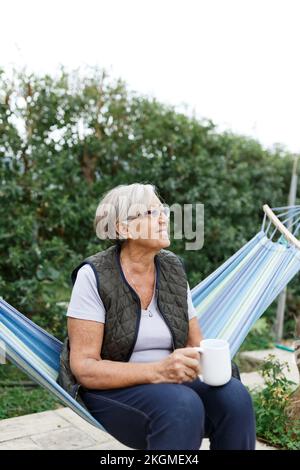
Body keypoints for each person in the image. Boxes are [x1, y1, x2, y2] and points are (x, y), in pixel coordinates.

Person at [57, 182, 256, 450]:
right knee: (182, 406)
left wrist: (201, 362)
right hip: (114, 390)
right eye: (150, 213)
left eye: (162, 209)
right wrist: (158, 371)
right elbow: (85, 368)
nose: (164, 217)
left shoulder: (172, 268)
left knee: (234, 396)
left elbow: (194, 344)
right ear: (123, 228)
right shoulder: (93, 275)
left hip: (171, 383)